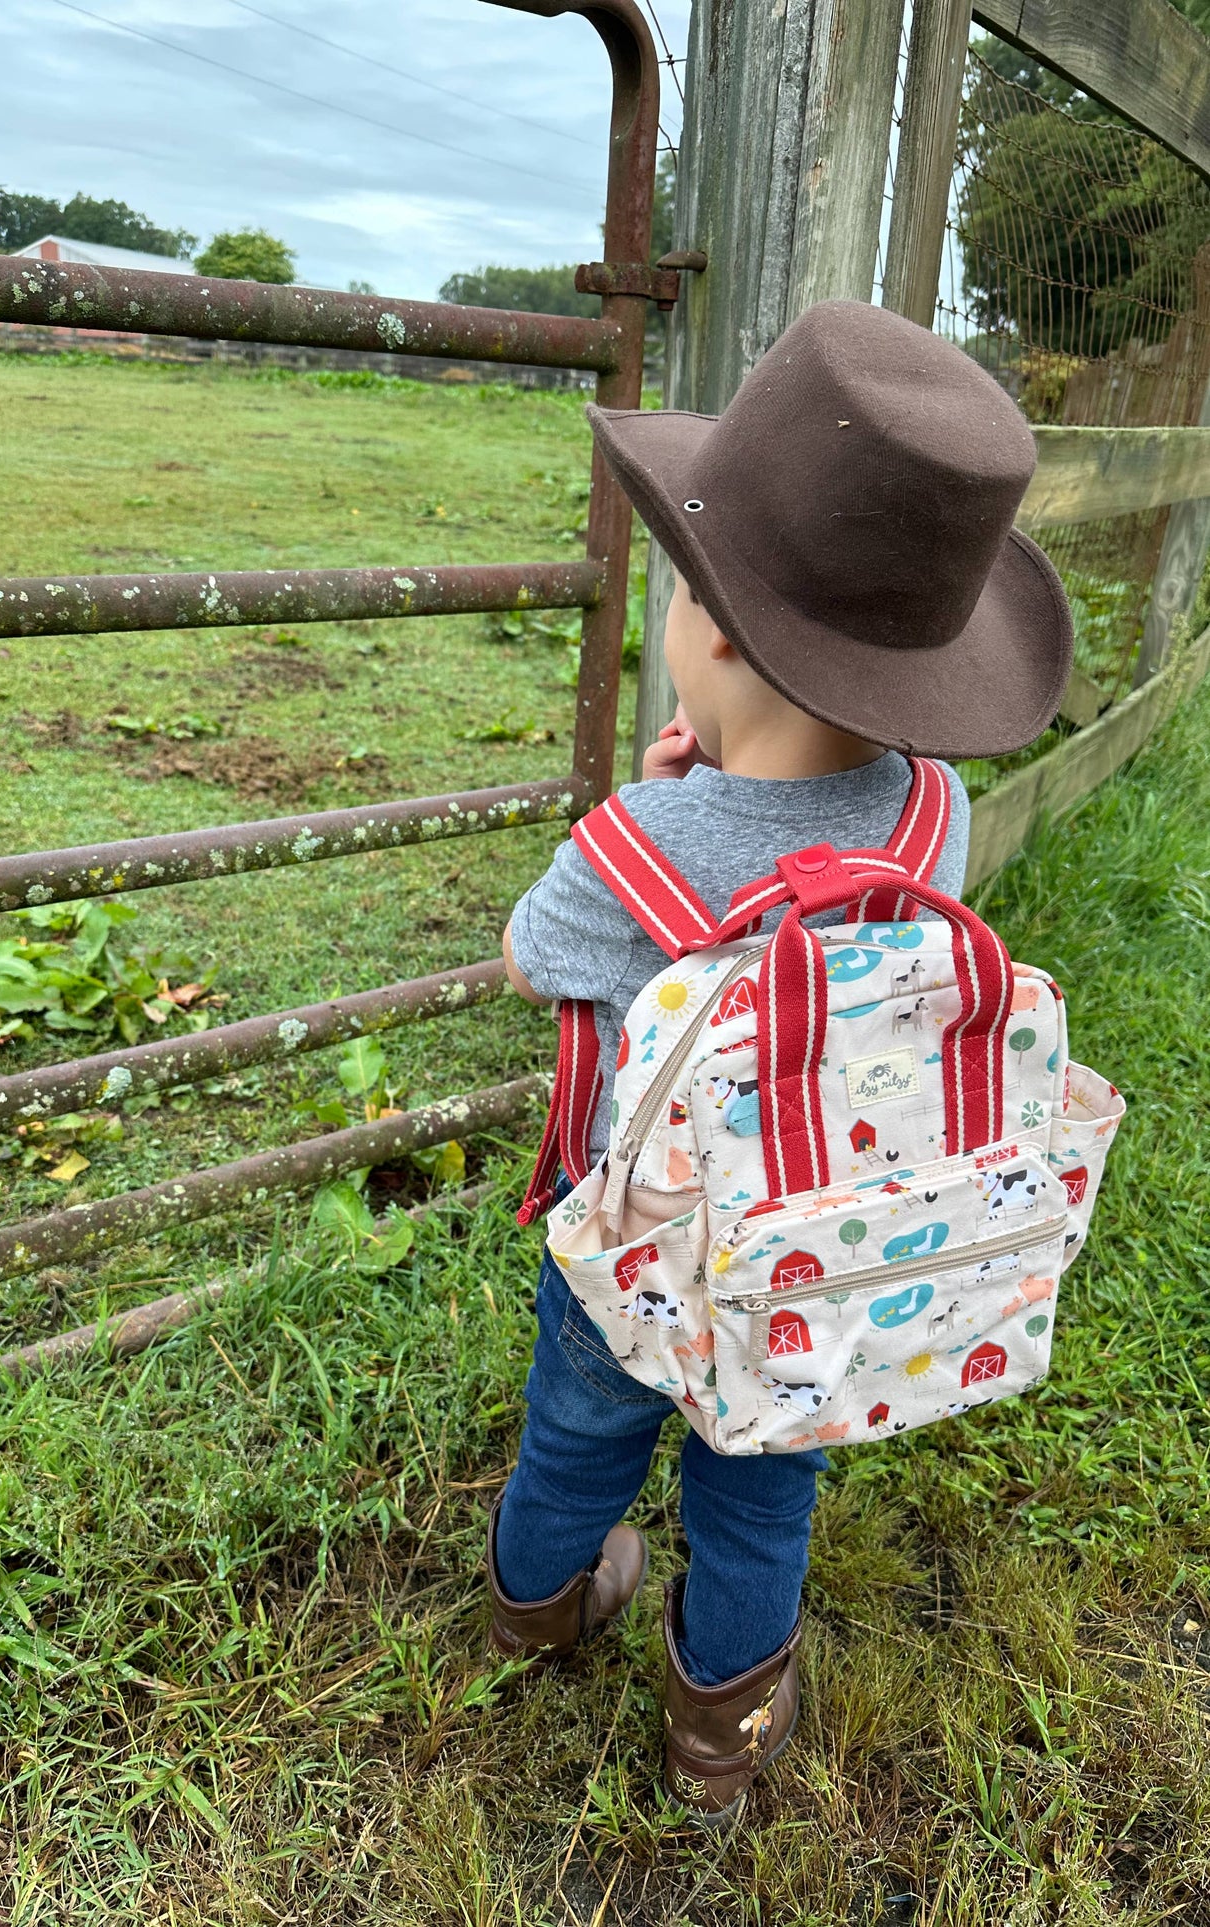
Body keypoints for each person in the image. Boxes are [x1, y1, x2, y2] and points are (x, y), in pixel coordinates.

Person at [488, 300, 1073, 1826]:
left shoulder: (630, 849)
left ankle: (539, 1607)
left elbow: (531, 963)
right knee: (761, 1488)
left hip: (636, 1246)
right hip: (820, 1245)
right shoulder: (929, 808)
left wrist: (651, 807)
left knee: (580, 1433)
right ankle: (716, 1738)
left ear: (713, 630)